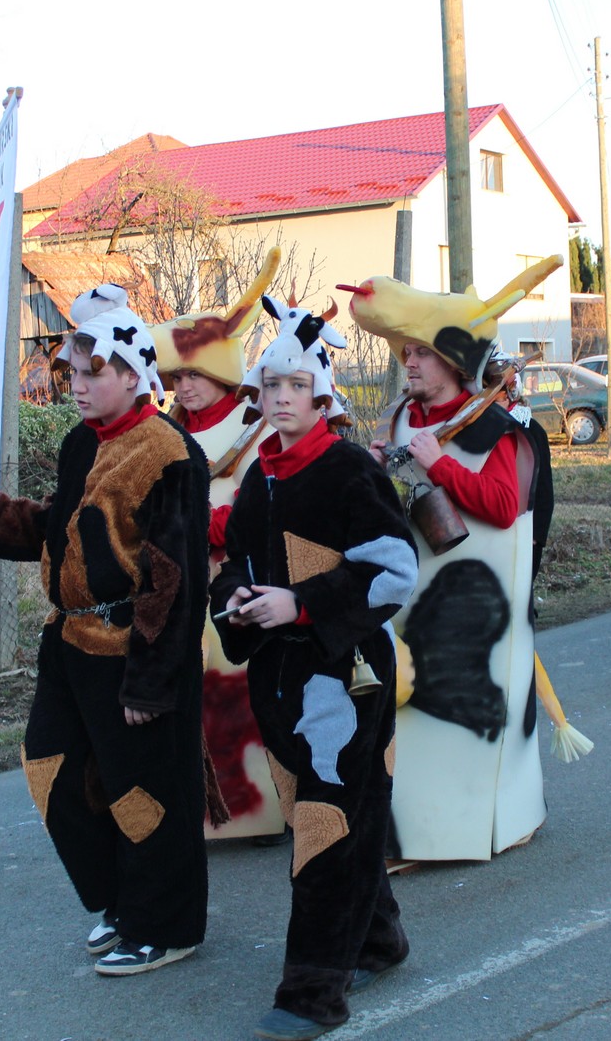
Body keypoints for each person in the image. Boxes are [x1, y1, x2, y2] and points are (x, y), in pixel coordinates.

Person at [211, 297, 415, 1041]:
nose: (280, 399)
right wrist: (235, 601)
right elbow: (233, 561)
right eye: (270, 388)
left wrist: (297, 605)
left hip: (344, 679)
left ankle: (312, 992)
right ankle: (376, 938)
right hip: (279, 685)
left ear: (322, 394)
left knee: (325, 827)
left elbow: (394, 570)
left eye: (295, 387)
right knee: (330, 817)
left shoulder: (349, 468)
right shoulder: (258, 479)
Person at [0, 284, 211, 976]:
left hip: (133, 653)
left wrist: (151, 678)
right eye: (74, 375)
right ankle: (122, 900)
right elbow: (65, 531)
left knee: (142, 792)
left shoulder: (170, 453)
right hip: (69, 647)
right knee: (54, 771)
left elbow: (173, 578)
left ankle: (165, 924)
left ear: (132, 374)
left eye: (93, 374)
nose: (79, 387)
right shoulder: (78, 443)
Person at [344, 256, 561, 863]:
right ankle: (415, 832)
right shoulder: (399, 418)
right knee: (408, 715)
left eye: (422, 352)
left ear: (455, 361)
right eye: (405, 352)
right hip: (409, 601)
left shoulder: (495, 426)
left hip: (475, 606)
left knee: (465, 712)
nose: (408, 362)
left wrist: (436, 462)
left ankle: (480, 826)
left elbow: (502, 506)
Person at [152, 248, 288, 843]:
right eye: (177, 376)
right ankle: (203, 813)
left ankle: (260, 810)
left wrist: (190, 525)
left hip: (237, 582)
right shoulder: (163, 435)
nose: (186, 387)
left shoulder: (257, 428)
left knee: (241, 694)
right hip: (179, 588)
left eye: (196, 375)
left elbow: (256, 513)